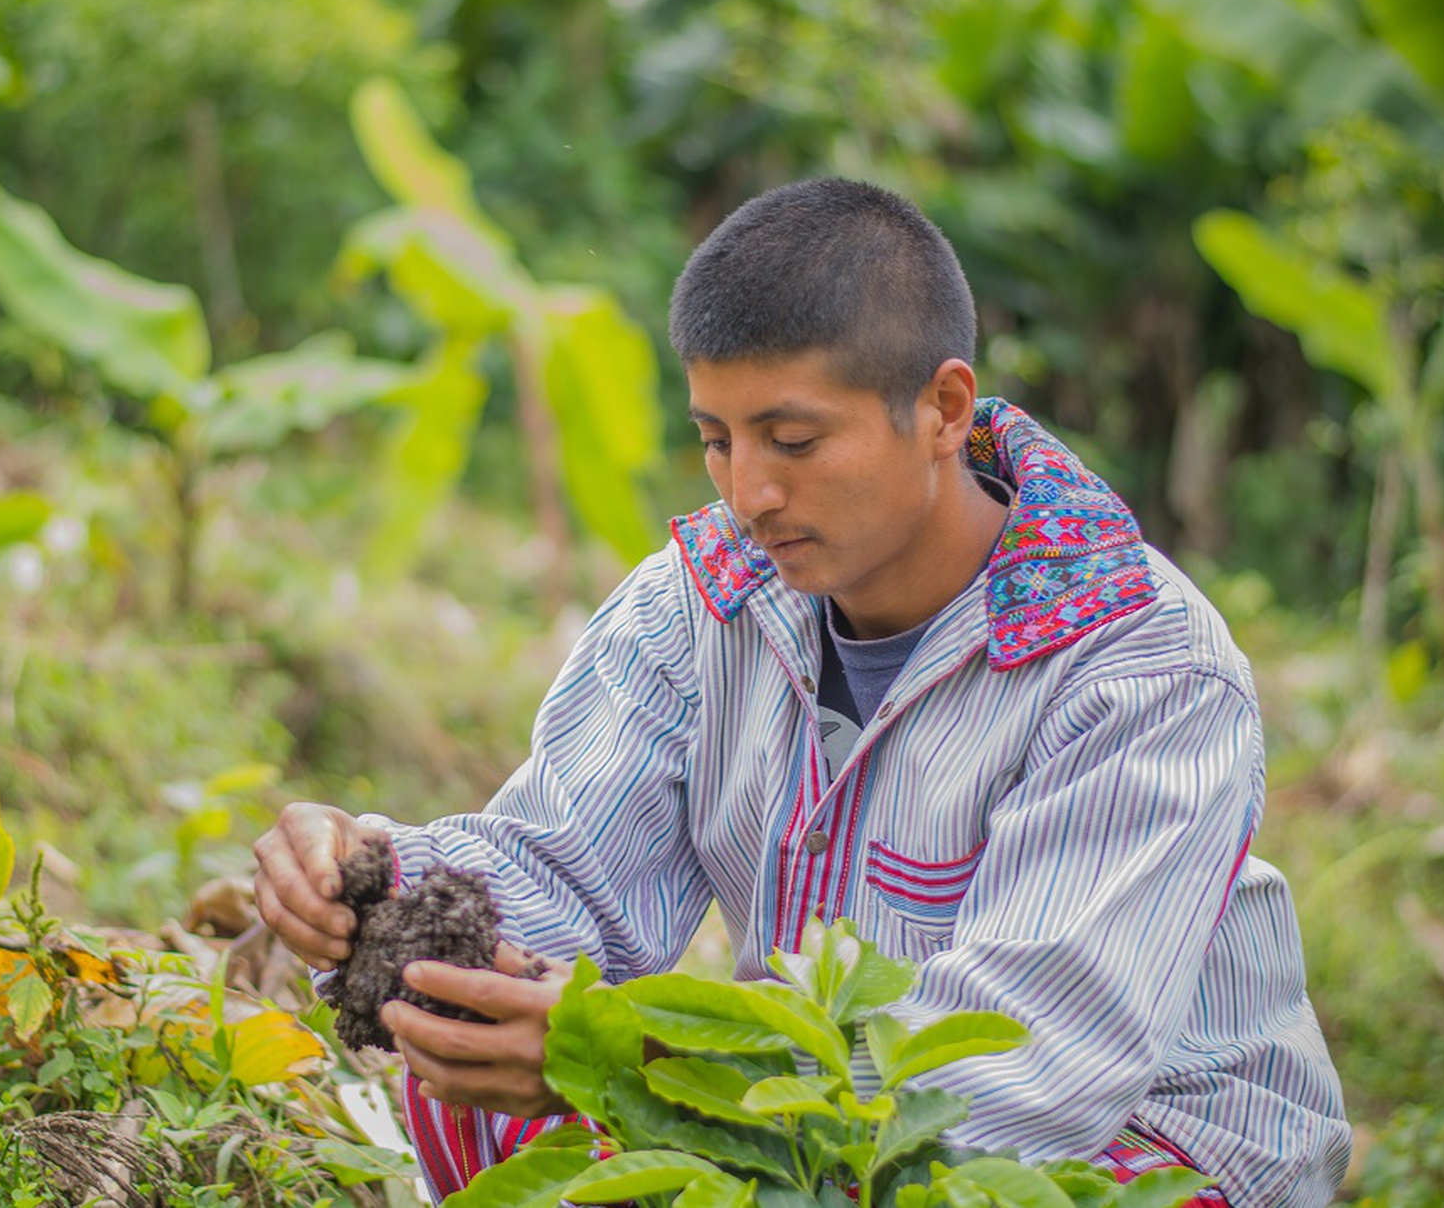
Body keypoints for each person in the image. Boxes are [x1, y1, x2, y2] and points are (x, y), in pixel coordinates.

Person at [254, 178, 1351, 1207]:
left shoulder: (1140, 665)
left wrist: (651, 1060)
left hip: (1133, 1143)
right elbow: (566, 869)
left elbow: (1036, 1071)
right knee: (463, 1024)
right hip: (799, 1109)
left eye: (793, 441)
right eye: (717, 443)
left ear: (942, 409)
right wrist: (371, 877)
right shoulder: (698, 605)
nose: (751, 493)